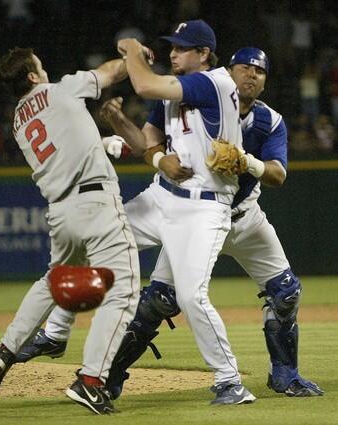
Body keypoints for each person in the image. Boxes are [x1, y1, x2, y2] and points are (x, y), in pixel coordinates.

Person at [16, 20, 257, 405]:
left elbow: (144, 84)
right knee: (94, 243)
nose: (173, 53)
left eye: (181, 48)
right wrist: (124, 127)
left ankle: (230, 381)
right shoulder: (175, 90)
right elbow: (147, 144)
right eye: (172, 47)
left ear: (204, 54)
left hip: (203, 208)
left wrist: (129, 49)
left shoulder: (214, 81)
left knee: (192, 297)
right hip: (162, 197)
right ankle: (55, 334)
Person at [104, 48, 324, 399]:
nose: (251, 75)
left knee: (286, 294)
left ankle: (285, 375)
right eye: (244, 68)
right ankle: (111, 375)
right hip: (196, 215)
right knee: (160, 300)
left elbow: (278, 174)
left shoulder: (270, 121)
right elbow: (150, 143)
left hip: (244, 218)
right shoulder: (193, 102)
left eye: (260, 71)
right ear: (227, 71)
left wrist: (247, 163)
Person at [0, 47, 141, 415]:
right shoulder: (61, 89)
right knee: (125, 290)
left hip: (61, 211)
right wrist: (134, 53)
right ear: (33, 77)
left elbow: (64, 148)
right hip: (96, 202)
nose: (45, 67)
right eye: (40, 64)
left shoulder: (19, 121)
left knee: (54, 280)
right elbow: (112, 72)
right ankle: (91, 381)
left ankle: (5, 350)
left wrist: (100, 145)